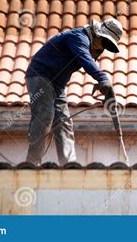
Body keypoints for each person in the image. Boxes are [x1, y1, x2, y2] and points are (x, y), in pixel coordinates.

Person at [24, 18, 123, 165]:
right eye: (104, 42)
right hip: (40, 76)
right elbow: (85, 59)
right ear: (97, 34)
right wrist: (102, 79)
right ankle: (32, 163)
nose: (103, 48)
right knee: (45, 115)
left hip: (58, 86)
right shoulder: (77, 37)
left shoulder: (88, 43)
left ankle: (69, 165)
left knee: (64, 123)